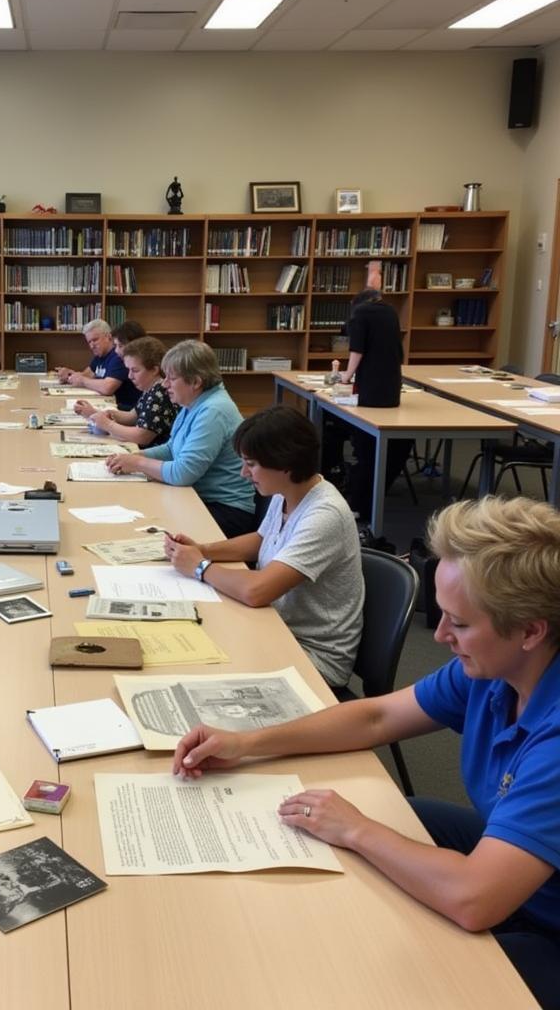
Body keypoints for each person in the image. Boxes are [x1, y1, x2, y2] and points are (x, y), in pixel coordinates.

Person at [172, 495, 560, 1010]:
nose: (441, 636)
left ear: (532, 630)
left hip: (549, 923)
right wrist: (246, 744)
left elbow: (475, 899)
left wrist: (354, 828)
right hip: (529, 876)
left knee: (418, 976)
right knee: (399, 812)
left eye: (459, 624)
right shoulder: (500, 670)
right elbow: (377, 717)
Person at [163, 405, 363, 688]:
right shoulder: (288, 492)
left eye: (252, 464)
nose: (244, 473)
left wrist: (199, 566)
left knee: (197, 670)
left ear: (285, 463)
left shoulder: (324, 515)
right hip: (274, 625)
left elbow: (257, 591)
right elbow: (261, 540)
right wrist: (203, 549)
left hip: (312, 657)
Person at [105, 340, 258, 537]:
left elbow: (183, 473)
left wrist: (138, 462)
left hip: (224, 510)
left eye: (171, 378)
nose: (165, 384)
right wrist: (133, 456)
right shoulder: (194, 402)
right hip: (198, 498)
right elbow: (171, 449)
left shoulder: (213, 411)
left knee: (143, 532)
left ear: (196, 381)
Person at [337, 262, 411, 517]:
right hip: (390, 389)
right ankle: (369, 497)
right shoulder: (389, 312)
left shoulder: (360, 314)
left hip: (370, 391)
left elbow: (357, 350)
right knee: (389, 443)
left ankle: (358, 503)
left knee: (366, 444)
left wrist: (345, 377)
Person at [74, 336, 178, 447]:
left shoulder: (160, 394)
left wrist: (108, 425)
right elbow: (132, 416)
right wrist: (102, 414)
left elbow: (142, 436)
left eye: (135, 370)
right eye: (128, 370)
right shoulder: (150, 388)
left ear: (154, 370)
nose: (130, 376)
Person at [55, 319, 139, 410]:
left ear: (108, 337)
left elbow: (107, 388)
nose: (91, 346)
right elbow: (86, 375)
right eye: (89, 342)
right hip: (106, 405)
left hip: (124, 409)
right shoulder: (100, 355)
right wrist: (69, 375)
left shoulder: (118, 356)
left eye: (95, 340)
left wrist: (82, 380)